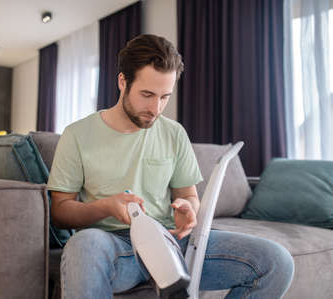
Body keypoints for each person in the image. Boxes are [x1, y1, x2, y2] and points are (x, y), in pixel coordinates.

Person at [47, 34, 294, 298]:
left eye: (165, 96)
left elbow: (188, 196)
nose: (156, 108)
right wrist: (105, 206)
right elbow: (60, 212)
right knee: (83, 244)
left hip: (173, 242)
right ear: (122, 81)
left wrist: (189, 209)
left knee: (276, 262)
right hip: (113, 247)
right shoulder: (77, 135)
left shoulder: (174, 133)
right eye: (147, 94)